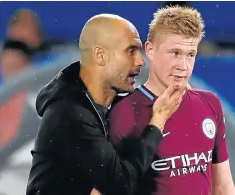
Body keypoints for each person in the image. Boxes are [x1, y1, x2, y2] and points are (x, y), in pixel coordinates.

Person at [26, 14, 184, 195]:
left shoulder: (108, 105)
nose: (141, 61)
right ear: (100, 55)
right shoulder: (69, 113)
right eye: (131, 51)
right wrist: (157, 123)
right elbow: (121, 184)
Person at [108, 6, 235, 195]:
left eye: (190, 54)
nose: (183, 66)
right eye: (175, 53)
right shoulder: (123, 112)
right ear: (150, 50)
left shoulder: (210, 104)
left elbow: (223, 186)